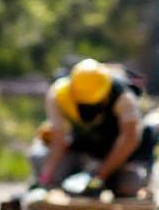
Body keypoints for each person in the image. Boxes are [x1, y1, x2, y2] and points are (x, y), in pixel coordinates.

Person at [30, 58, 155, 196]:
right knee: (40, 155)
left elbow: (130, 139)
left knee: (128, 186)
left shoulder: (123, 97)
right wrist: (45, 178)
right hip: (88, 152)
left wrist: (99, 175)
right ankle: (57, 183)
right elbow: (58, 140)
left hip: (124, 156)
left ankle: (114, 181)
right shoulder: (57, 95)